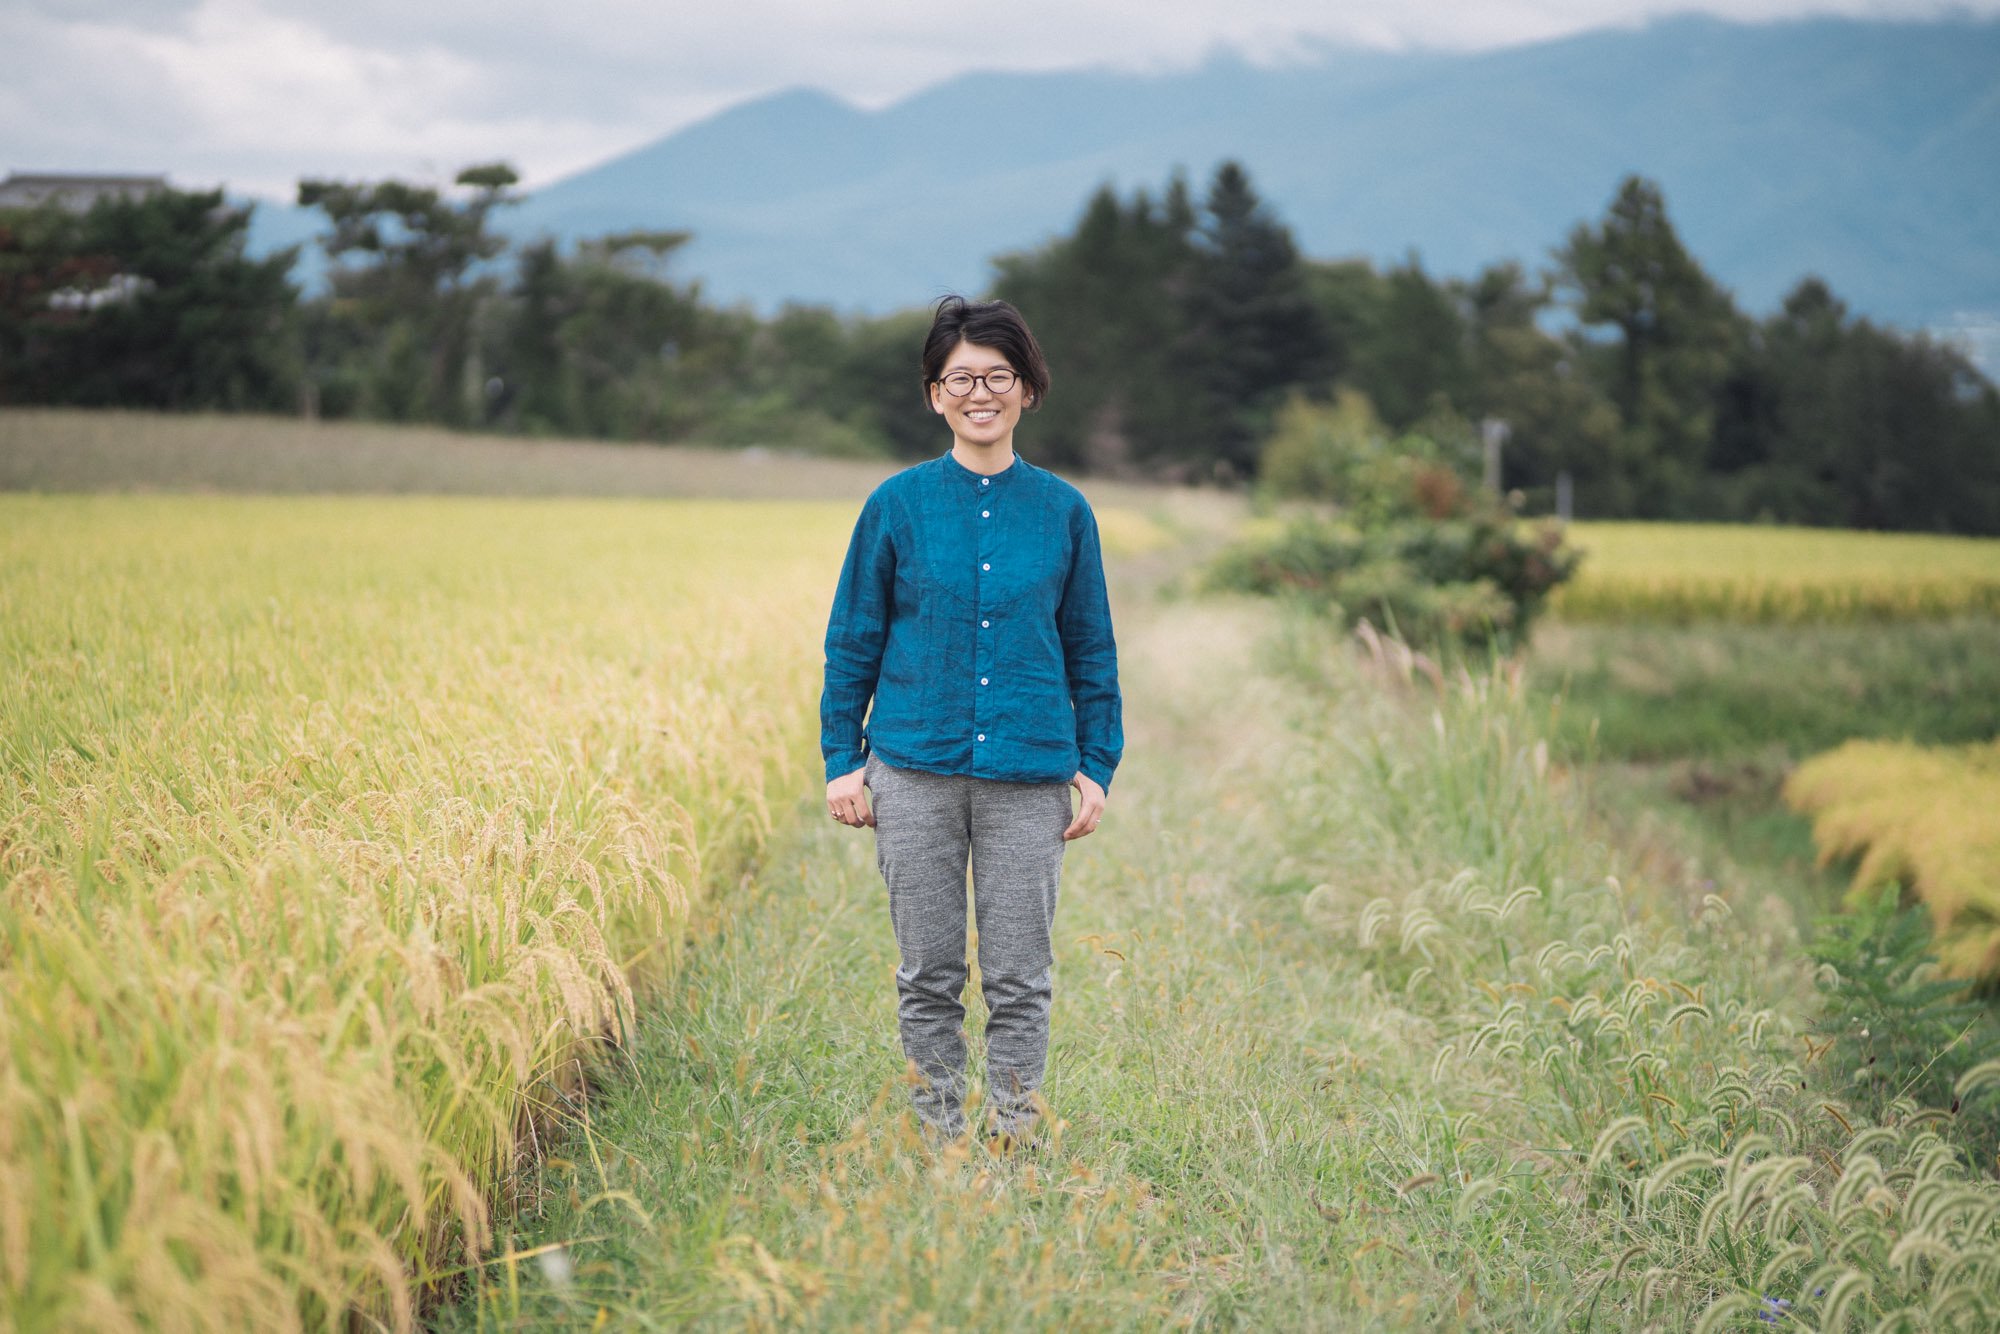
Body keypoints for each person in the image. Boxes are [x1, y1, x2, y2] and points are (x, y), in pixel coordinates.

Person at [820, 295, 1123, 1151]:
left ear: (1027, 389)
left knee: (1021, 977)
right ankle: (940, 1142)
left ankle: (1016, 1139)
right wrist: (845, 760)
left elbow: (1090, 648)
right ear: (933, 394)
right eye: (961, 378)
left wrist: (1096, 765)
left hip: (1028, 779)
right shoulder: (897, 505)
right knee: (929, 975)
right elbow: (853, 640)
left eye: (998, 376)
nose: (979, 392)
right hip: (913, 770)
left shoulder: (1064, 512)